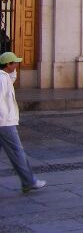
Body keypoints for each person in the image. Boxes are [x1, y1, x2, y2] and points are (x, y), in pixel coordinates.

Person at [0, 51, 46, 193]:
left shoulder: (5, 76)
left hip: (4, 121)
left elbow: (12, 79)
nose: (17, 65)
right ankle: (29, 182)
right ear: (8, 64)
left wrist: (12, 71)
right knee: (17, 151)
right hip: (4, 122)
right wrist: (4, 117)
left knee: (16, 152)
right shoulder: (1, 79)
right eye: (14, 63)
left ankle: (28, 182)